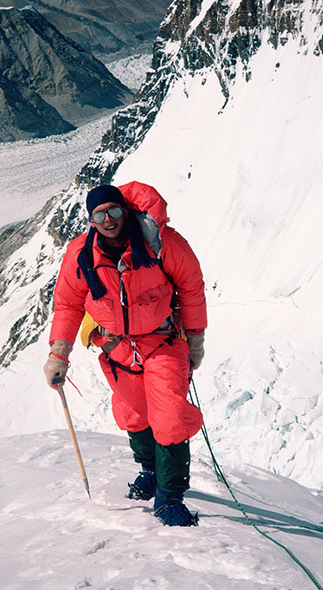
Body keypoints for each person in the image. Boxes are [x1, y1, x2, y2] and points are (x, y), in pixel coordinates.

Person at [43, 181, 206, 526]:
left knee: (170, 416)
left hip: (162, 341)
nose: (109, 220)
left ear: (125, 210)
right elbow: (69, 304)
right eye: (99, 214)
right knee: (134, 414)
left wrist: (195, 340)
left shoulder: (161, 242)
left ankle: (170, 496)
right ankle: (150, 472)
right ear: (90, 219)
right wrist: (59, 353)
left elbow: (191, 286)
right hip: (116, 346)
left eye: (114, 210)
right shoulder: (81, 254)